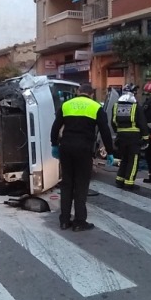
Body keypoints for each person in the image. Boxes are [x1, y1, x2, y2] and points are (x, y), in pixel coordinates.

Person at [51, 83, 115, 232]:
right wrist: (110, 152)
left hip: (66, 148)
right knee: (81, 185)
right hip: (84, 149)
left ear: (78, 92)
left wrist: (54, 144)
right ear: (91, 94)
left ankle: (64, 221)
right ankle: (79, 222)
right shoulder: (96, 107)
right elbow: (105, 131)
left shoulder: (66, 105)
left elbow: (55, 127)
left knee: (67, 184)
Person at [112, 83, 149, 191]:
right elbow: (142, 123)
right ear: (133, 93)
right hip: (133, 138)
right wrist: (146, 138)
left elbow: (113, 122)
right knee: (133, 160)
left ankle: (120, 180)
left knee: (124, 159)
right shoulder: (136, 106)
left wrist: (119, 132)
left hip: (121, 137)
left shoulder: (116, 106)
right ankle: (129, 183)